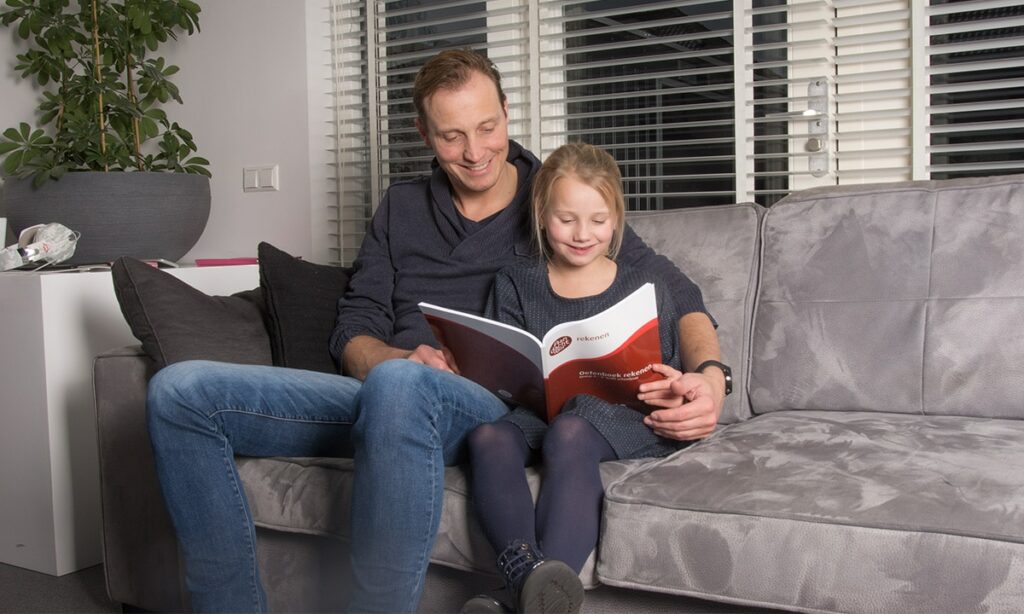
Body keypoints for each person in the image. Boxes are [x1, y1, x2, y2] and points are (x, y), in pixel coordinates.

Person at [145, 48, 728, 614]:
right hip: (389, 388)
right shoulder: (400, 207)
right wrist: (390, 358)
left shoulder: (553, 201)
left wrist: (710, 377)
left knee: (400, 388)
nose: (475, 152)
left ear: (507, 112)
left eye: (487, 126)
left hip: (481, 406)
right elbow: (355, 323)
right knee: (179, 393)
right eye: (452, 136)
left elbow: (680, 297)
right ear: (425, 134)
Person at [460, 143, 709, 614]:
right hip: (543, 411)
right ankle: (528, 581)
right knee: (488, 436)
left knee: (571, 431)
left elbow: (672, 374)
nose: (581, 234)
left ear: (616, 219)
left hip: (622, 418)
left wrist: (673, 385)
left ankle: (521, 597)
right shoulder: (515, 282)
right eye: (566, 219)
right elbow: (502, 370)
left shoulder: (644, 286)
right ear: (541, 212)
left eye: (597, 221)